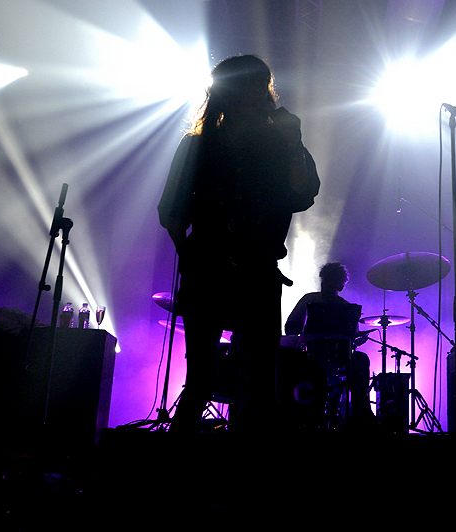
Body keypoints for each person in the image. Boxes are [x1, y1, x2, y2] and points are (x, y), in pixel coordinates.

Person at [158, 54, 320, 432]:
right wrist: (193, 256)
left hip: (255, 272)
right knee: (202, 384)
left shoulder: (280, 146)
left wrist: (293, 142)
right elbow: (172, 212)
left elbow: (303, 192)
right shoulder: (197, 146)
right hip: (211, 273)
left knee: (262, 387)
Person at [285, 262, 373, 424]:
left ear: (339, 285)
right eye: (325, 281)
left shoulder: (345, 306)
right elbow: (289, 328)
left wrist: (356, 341)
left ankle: (360, 413)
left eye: (330, 282)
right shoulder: (309, 300)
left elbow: (352, 338)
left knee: (361, 360)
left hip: (337, 356)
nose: (326, 285)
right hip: (308, 355)